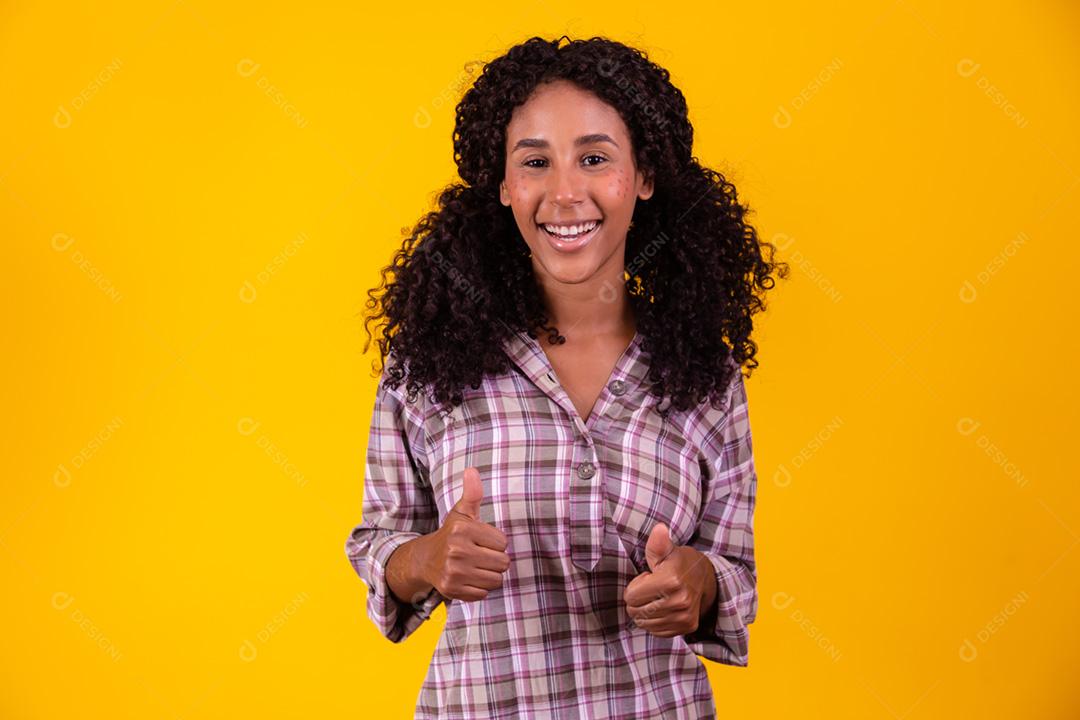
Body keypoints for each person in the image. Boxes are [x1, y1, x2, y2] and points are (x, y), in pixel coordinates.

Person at [345, 35, 787, 719]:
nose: (564, 191)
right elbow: (379, 545)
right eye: (534, 162)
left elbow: (732, 570)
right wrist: (428, 558)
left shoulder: (705, 378)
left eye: (594, 158)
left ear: (643, 177)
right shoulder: (429, 364)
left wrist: (695, 581)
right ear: (503, 185)